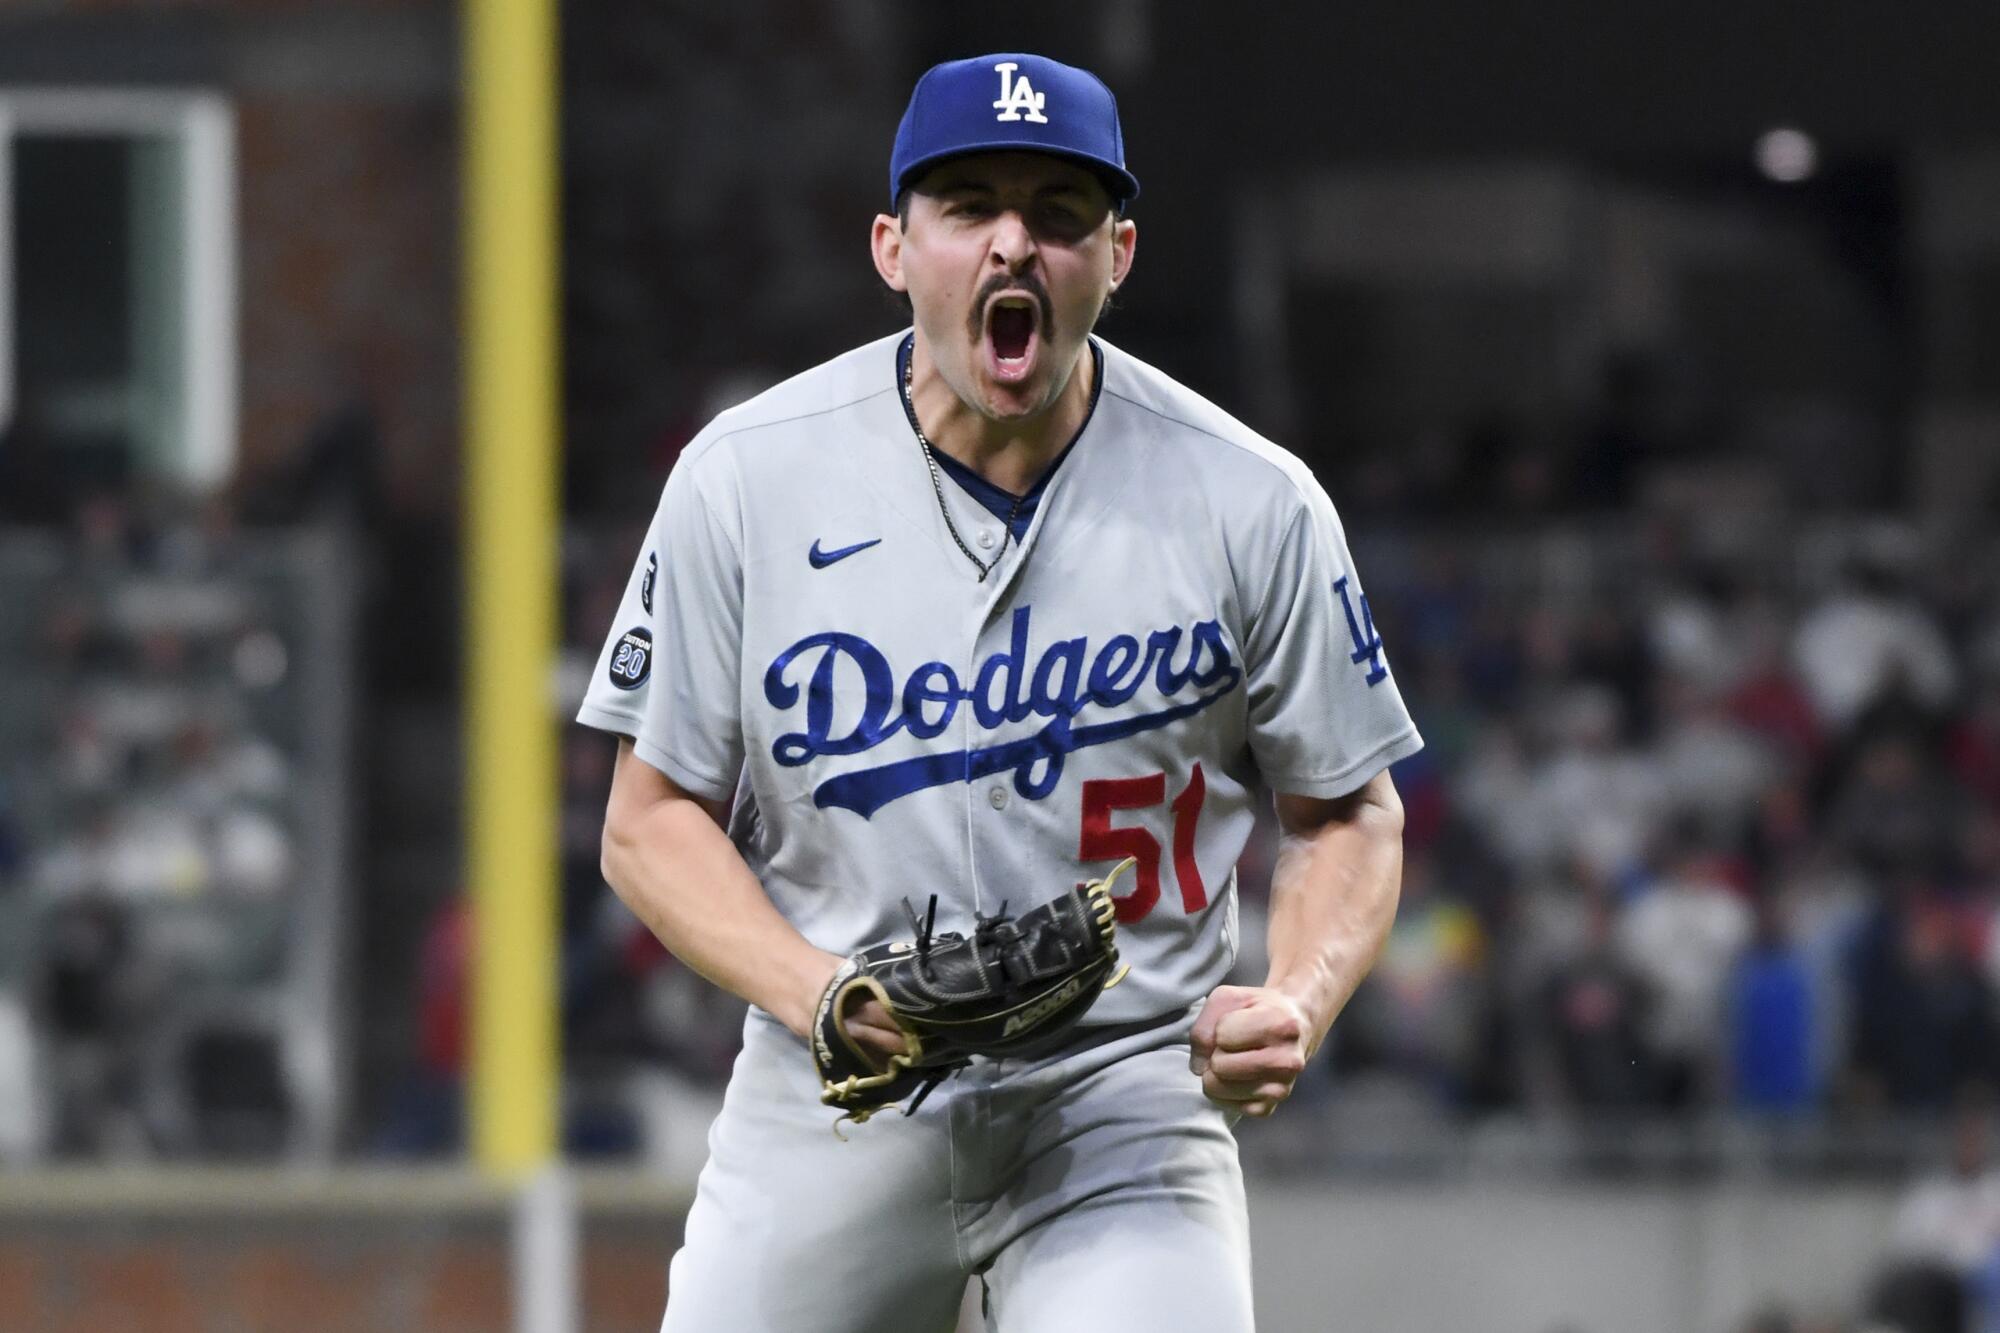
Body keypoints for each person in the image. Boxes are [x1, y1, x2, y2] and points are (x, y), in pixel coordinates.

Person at [579, 52, 1420, 1333]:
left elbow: (1347, 812)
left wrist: (1294, 995)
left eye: (1060, 212)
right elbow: (646, 823)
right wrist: (815, 992)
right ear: (892, 246)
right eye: (968, 205)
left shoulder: (1247, 497)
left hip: (1122, 1090)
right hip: (836, 1094)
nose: (1013, 242)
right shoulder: (744, 479)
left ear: (1120, 251)